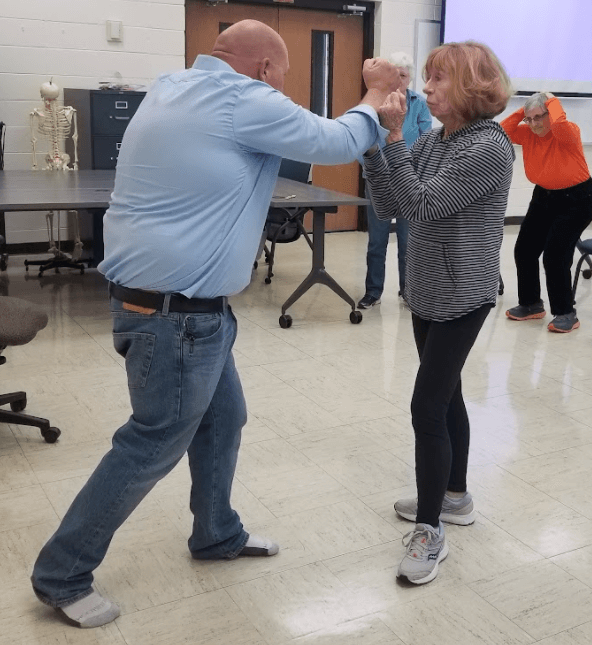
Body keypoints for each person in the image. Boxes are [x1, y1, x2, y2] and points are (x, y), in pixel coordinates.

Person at [30, 20, 400, 628]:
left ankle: (216, 533)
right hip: (175, 318)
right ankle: (62, 572)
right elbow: (335, 142)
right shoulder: (240, 97)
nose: (280, 95)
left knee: (225, 417)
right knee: (151, 441)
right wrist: (375, 92)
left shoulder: (174, 85)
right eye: (280, 81)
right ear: (262, 71)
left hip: (189, 312)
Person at [363, 41, 514, 584]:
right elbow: (390, 206)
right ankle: (456, 496)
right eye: (425, 80)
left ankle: (430, 532)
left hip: (462, 295)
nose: (425, 91)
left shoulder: (490, 146)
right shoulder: (434, 141)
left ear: (473, 86)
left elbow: (424, 203)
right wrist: (376, 150)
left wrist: (395, 139)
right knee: (446, 395)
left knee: (426, 407)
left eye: (437, 80)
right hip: (426, 291)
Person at [501, 93, 592, 332]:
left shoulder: (567, 132)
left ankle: (566, 313)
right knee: (524, 250)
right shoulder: (527, 133)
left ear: (550, 114)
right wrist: (522, 113)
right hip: (544, 195)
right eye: (530, 119)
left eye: (539, 117)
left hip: (577, 199)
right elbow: (501, 131)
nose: (535, 124)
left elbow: (560, 125)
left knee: (555, 255)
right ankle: (531, 304)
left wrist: (552, 100)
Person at [357, 52, 432, 309]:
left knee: (408, 240)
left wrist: (410, 169)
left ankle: (408, 290)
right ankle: (373, 291)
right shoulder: (375, 103)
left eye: (404, 75)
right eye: (395, 75)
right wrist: (373, 168)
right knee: (376, 241)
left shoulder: (419, 105)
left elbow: (426, 142)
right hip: (379, 181)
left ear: (409, 78)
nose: (399, 80)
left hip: (410, 181)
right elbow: (363, 140)